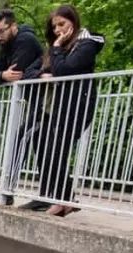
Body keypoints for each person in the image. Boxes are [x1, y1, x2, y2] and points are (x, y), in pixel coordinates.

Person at [21, 4, 105, 216]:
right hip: (53, 107)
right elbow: (28, 72)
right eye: (55, 26)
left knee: (56, 149)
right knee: (39, 141)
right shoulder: (54, 50)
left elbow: (66, 69)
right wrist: (42, 75)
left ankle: (61, 200)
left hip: (76, 106)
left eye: (62, 24)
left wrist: (57, 48)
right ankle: (57, 196)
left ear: (73, 22)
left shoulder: (87, 43)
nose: (58, 30)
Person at [0, 8, 45, 206]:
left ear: (13, 26)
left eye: (1, 31)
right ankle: (57, 194)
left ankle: (6, 191)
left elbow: (16, 73)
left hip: (49, 101)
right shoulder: (6, 45)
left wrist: (5, 75)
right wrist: (1, 76)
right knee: (42, 146)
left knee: (22, 138)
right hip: (37, 101)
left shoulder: (25, 41)